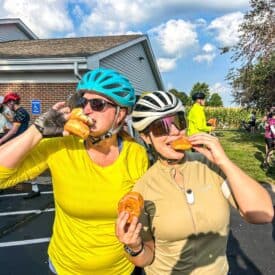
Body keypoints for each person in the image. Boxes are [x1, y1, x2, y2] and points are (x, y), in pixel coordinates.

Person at [0, 68, 149, 274]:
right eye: (82, 102)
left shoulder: (136, 154)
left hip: (121, 269)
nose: (86, 110)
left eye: (97, 104)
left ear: (120, 113)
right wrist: (38, 130)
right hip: (66, 267)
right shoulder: (61, 146)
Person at [116, 91, 274, 275]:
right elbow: (147, 257)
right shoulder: (143, 189)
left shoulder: (209, 165)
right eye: (161, 127)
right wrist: (133, 247)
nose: (175, 132)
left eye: (179, 122)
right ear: (145, 136)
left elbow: (263, 213)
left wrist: (224, 161)